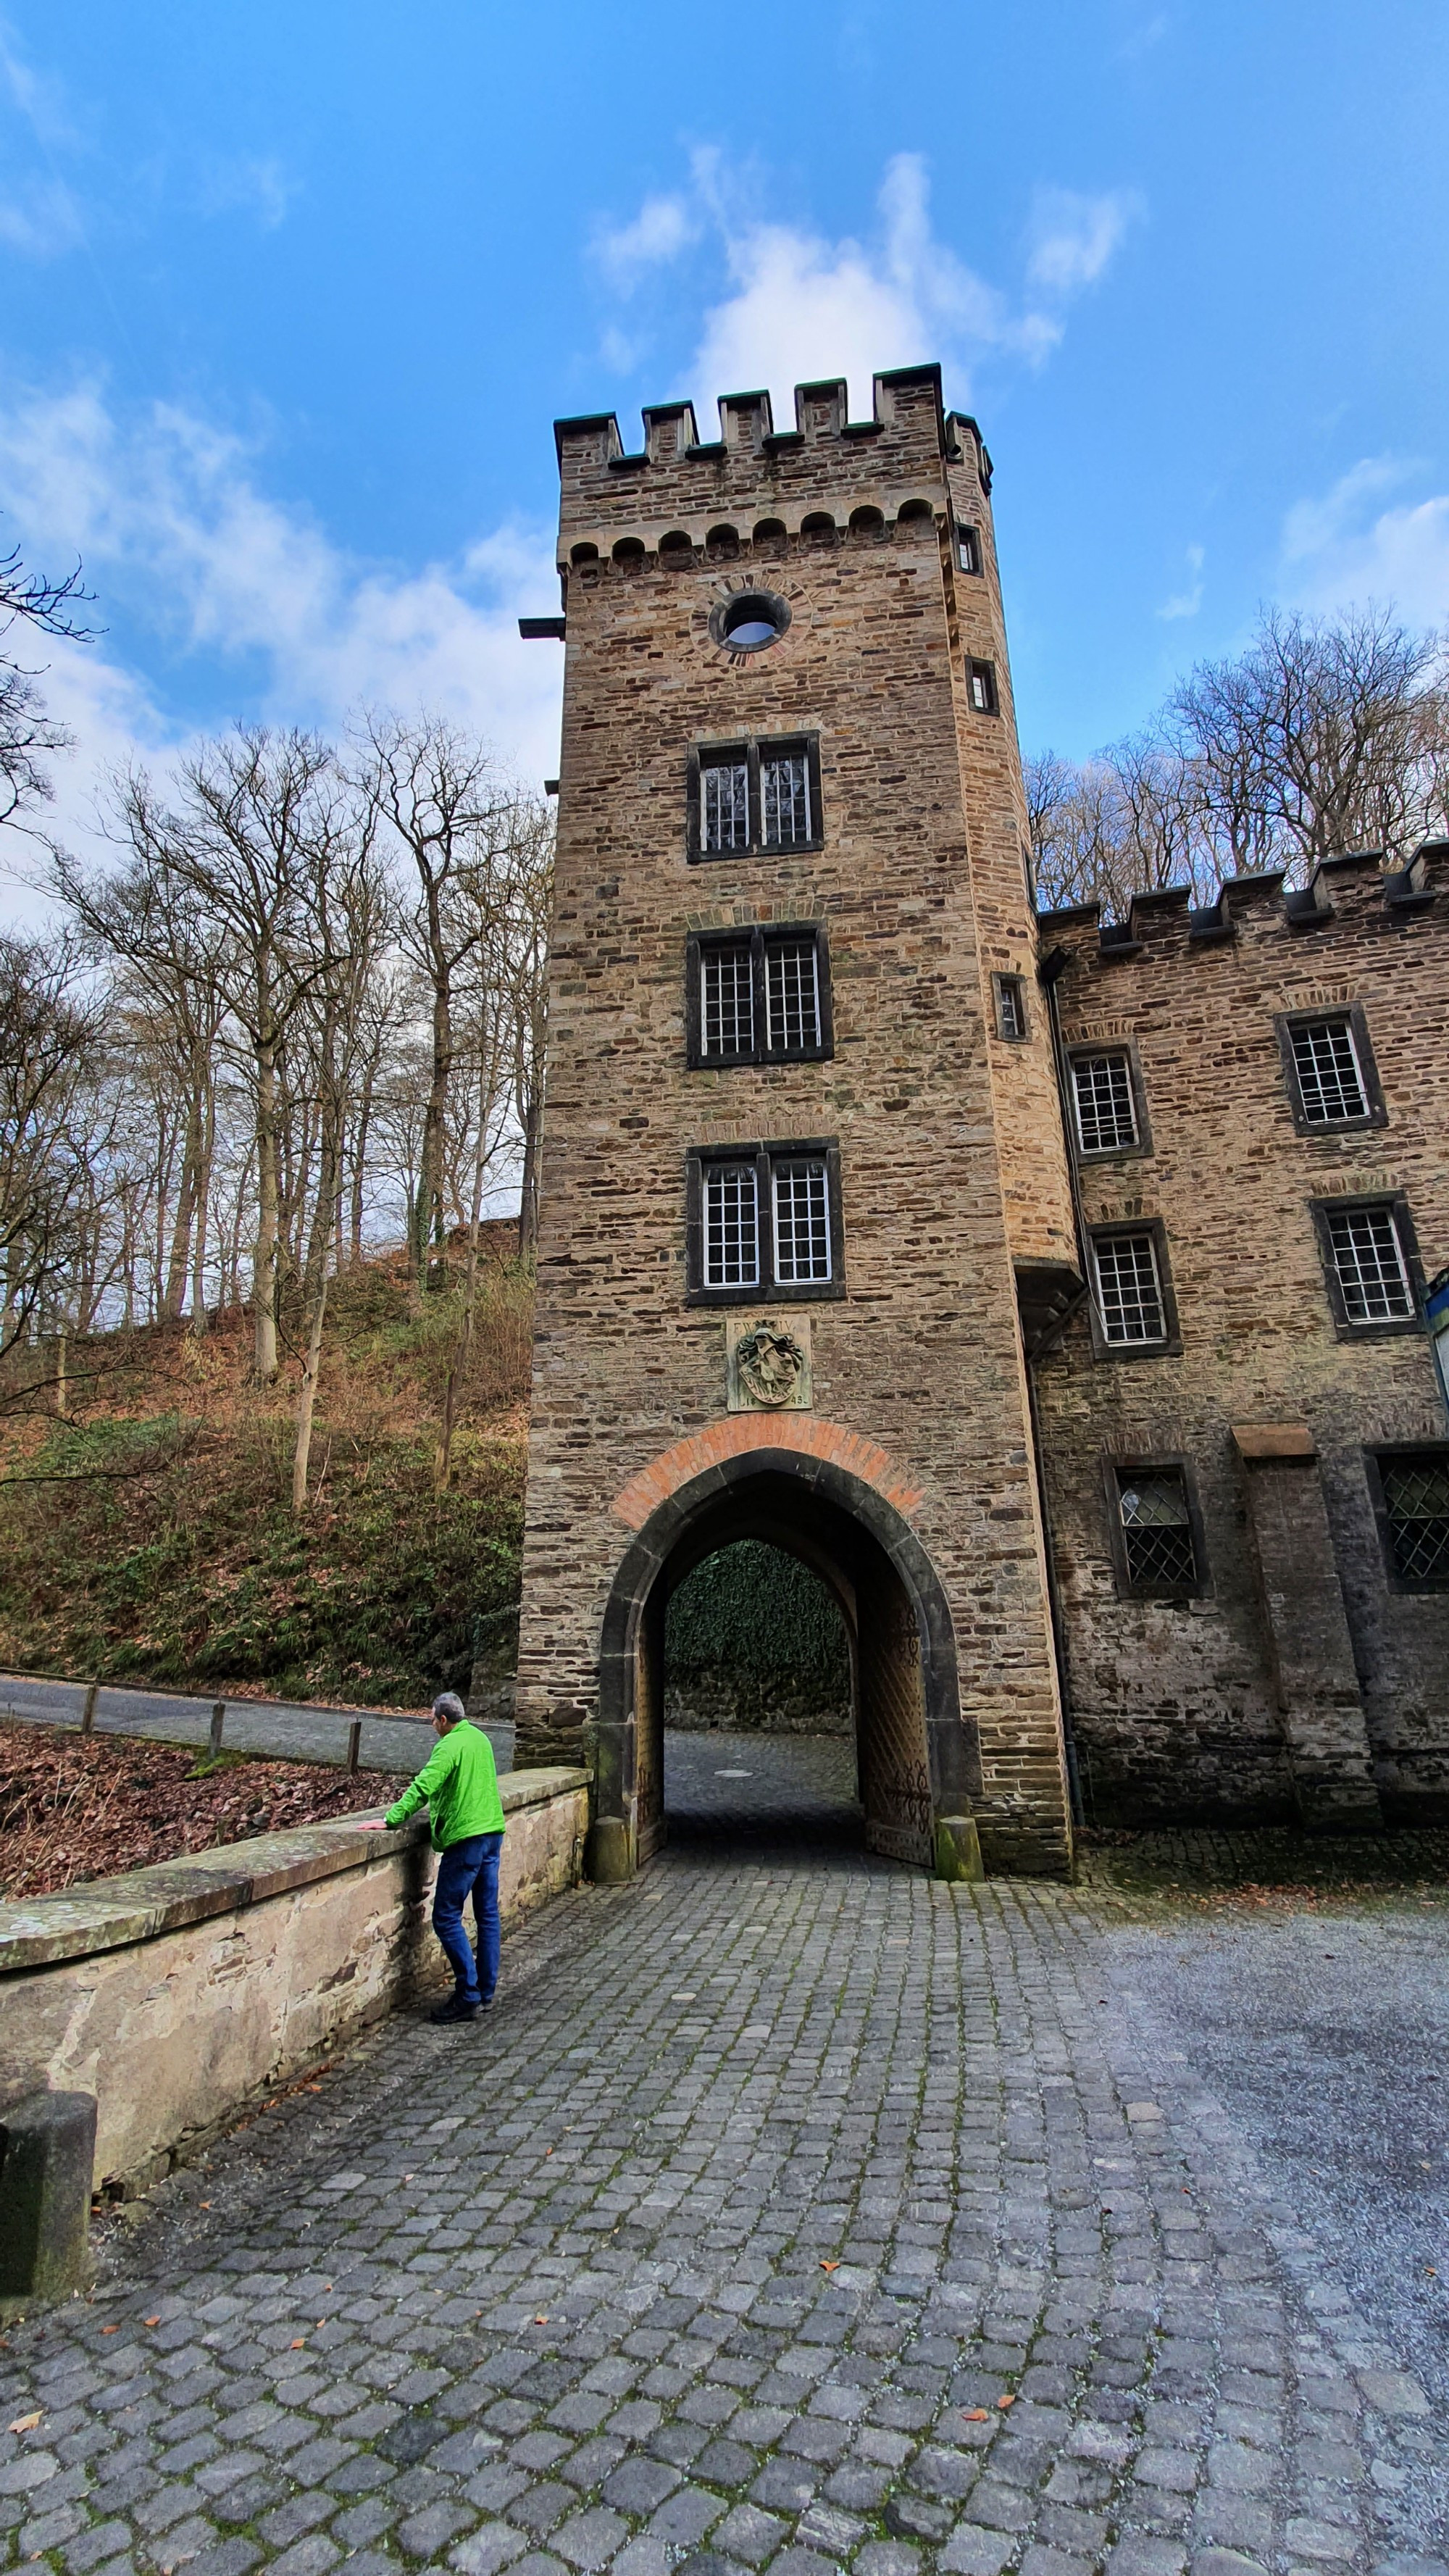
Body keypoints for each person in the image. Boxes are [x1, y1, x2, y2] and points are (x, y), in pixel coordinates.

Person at [379, 1691, 506, 2024]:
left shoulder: (449, 1745)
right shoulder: (480, 1738)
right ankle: (486, 1991)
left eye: (433, 1720)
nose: (432, 1725)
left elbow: (424, 1786)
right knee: (487, 1914)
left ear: (443, 1720)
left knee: (446, 1917)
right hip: (492, 1833)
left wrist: (391, 1818)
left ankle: (468, 1995)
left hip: (467, 1839)